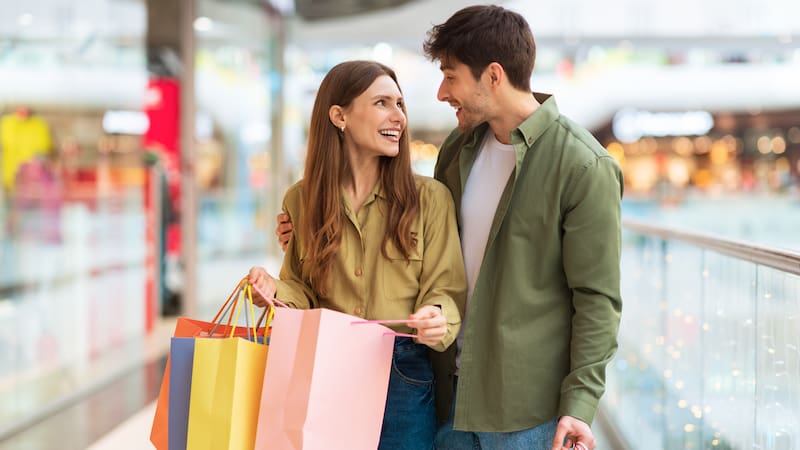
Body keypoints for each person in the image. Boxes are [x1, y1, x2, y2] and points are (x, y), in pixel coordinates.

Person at [277, 6, 623, 450]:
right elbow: (420, 242)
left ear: (493, 76)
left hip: (524, 410)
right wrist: (307, 230)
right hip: (445, 392)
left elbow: (598, 299)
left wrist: (579, 404)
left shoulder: (582, 166)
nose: (441, 93)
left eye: (451, 76)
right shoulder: (459, 149)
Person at [249, 60, 466, 450]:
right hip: (324, 367)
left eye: (400, 104)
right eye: (382, 102)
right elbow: (302, 291)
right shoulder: (301, 200)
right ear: (339, 116)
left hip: (402, 372)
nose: (398, 116)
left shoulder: (430, 199)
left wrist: (438, 316)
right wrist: (272, 290)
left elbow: (446, 289)